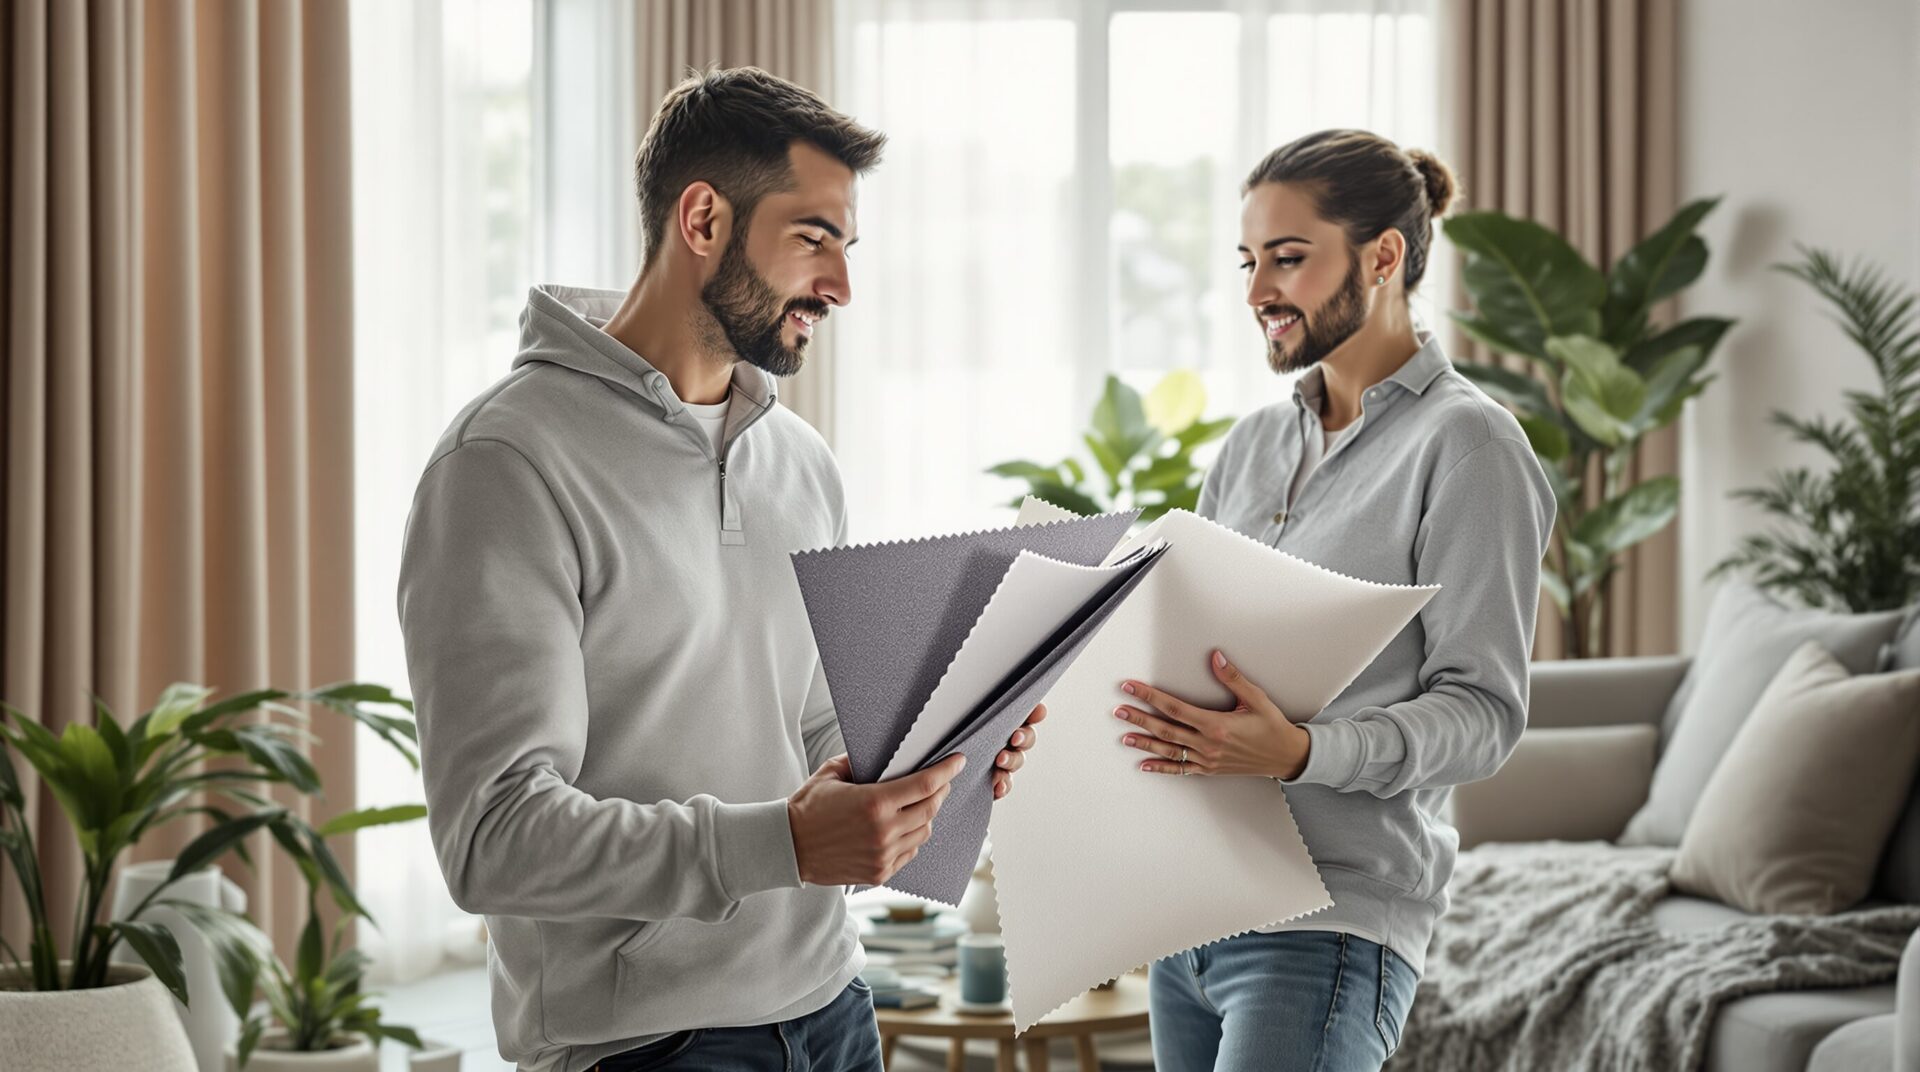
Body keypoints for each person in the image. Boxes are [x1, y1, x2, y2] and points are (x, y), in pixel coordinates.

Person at [395, 67, 1043, 1072]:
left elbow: (821, 731)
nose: (840, 286)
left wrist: (948, 761)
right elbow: (495, 835)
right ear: (703, 218)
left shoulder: (800, 461)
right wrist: (781, 843)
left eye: (846, 246)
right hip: (644, 1042)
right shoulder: (507, 462)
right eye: (813, 240)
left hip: (832, 1007)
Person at [1112, 130, 1557, 1071]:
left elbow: (1484, 714)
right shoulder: (1248, 450)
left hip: (1326, 921)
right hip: (1191, 909)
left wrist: (1307, 753)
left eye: (1288, 258)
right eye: (1249, 260)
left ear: (1383, 256)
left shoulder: (1470, 446)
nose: (1256, 291)